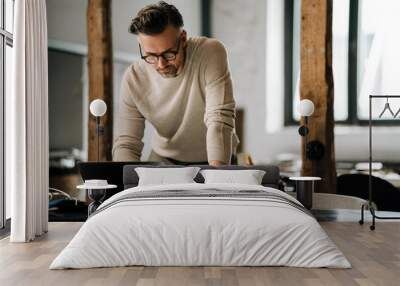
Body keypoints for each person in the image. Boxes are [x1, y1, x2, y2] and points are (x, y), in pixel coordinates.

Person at [112, 1, 238, 166]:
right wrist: (126, 185)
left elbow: (219, 120)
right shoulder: (133, 78)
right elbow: (127, 143)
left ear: (183, 38)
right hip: (165, 159)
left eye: (169, 54)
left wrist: (217, 179)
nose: (161, 65)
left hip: (217, 158)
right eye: (150, 56)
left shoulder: (210, 53)